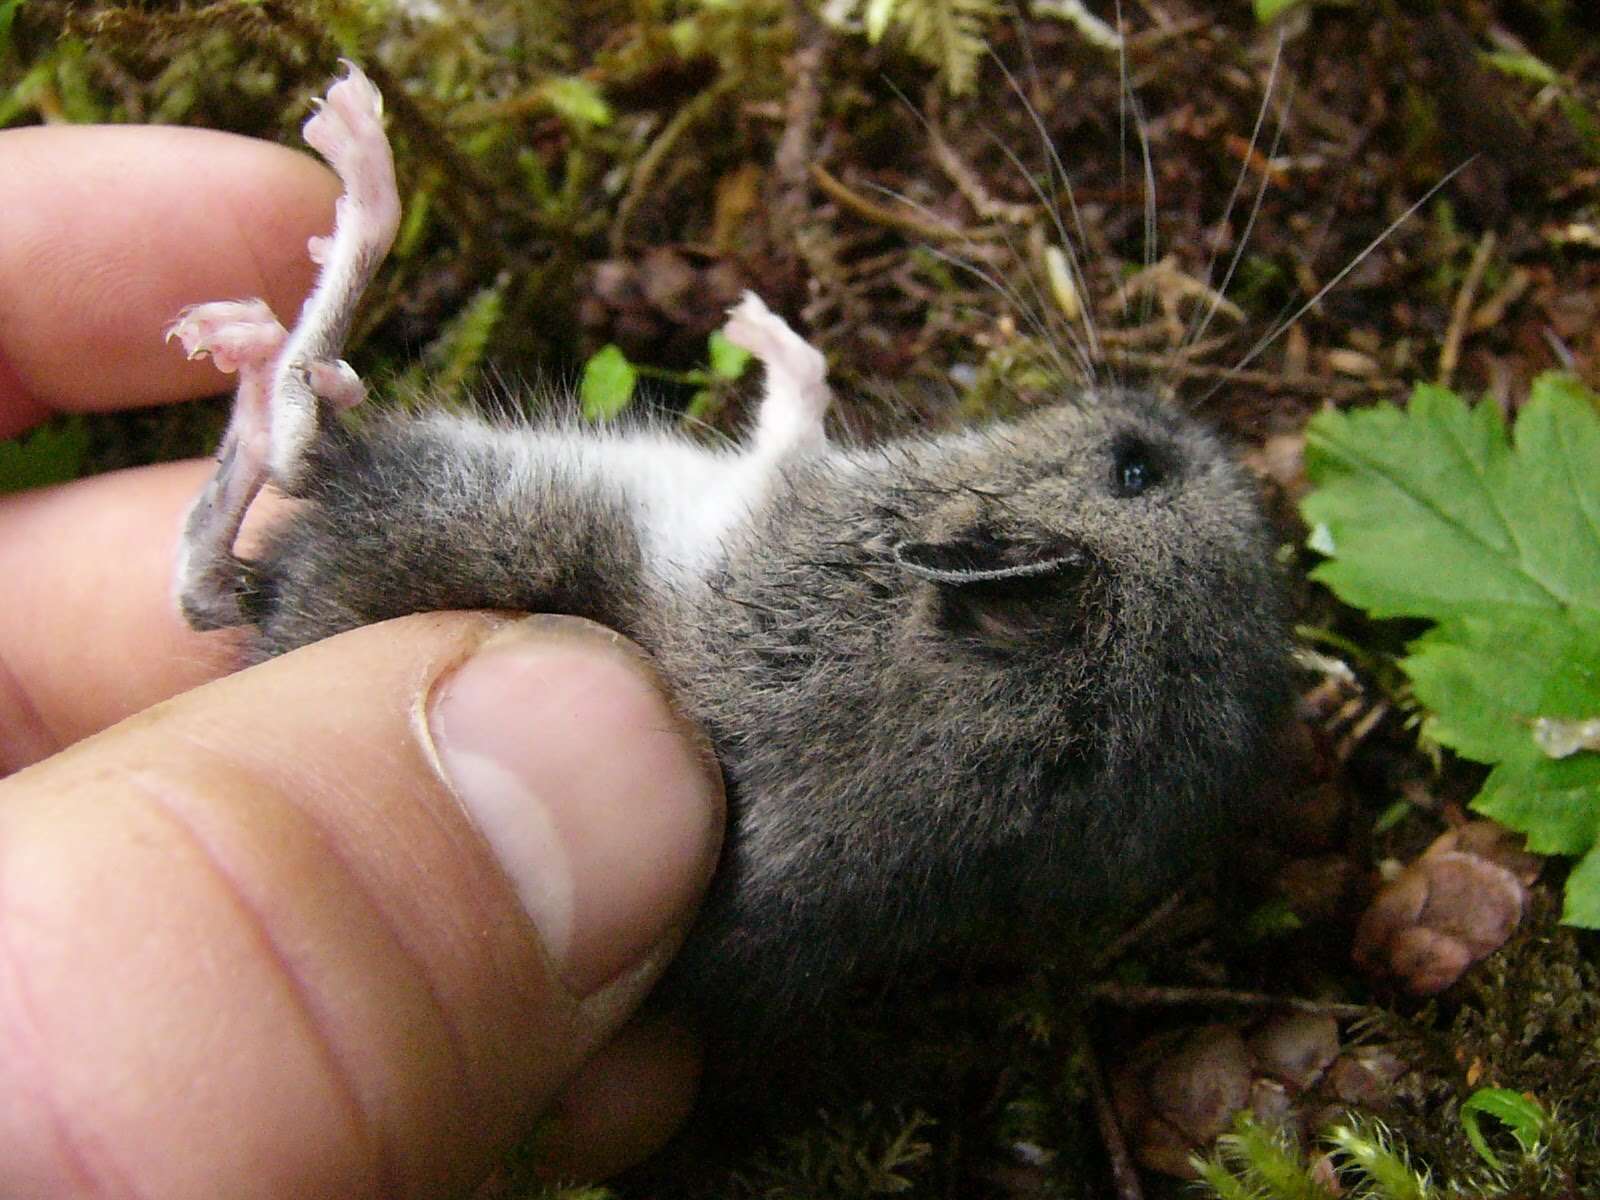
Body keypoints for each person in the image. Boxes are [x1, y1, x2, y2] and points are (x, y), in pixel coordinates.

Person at [0, 121, 724, 1197]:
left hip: (372, 576)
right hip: (396, 576)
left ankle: (325, 294)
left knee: (290, 476)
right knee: (295, 469)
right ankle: (333, 277)